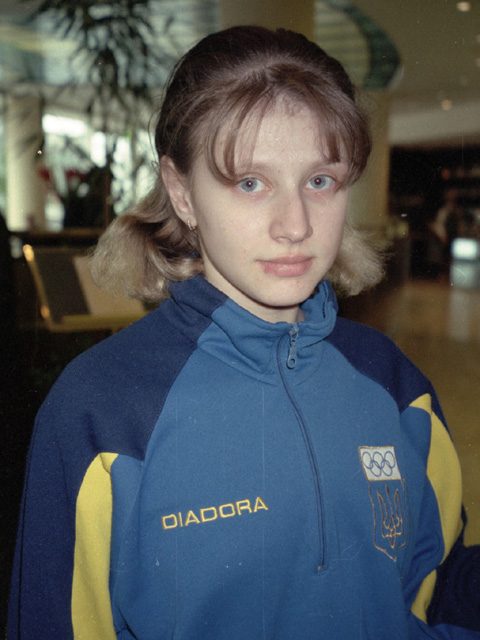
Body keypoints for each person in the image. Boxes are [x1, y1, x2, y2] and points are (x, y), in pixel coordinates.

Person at [8, 26, 480, 640]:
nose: (295, 225)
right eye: (250, 183)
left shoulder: (394, 384)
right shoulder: (101, 411)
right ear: (182, 193)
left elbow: (438, 587)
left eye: (320, 181)